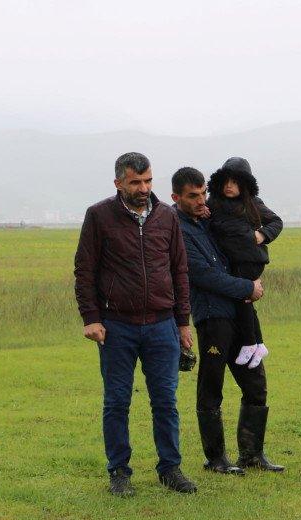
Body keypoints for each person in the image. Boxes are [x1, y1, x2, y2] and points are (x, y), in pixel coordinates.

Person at [73, 152, 197, 496]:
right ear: (118, 183)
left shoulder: (167, 217)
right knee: (116, 401)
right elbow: (85, 271)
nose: (143, 188)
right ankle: (119, 472)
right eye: (135, 182)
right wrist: (91, 318)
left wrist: (182, 323)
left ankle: (170, 468)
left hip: (162, 325)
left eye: (148, 181)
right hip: (117, 327)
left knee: (166, 401)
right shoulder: (99, 216)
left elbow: (179, 270)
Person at [171, 166, 284, 475]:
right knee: (212, 385)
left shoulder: (208, 220)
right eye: (193, 196)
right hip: (212, 315)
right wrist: (247, 287)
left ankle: (252, 454)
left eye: (203, 193)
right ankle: (216, 458)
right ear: (176, 197)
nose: (200, 200)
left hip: (240, 313)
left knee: (255, 382)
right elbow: (202, 274)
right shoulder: (177, 230)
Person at [205, 157, 283, 369]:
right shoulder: (213, 203)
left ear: (245, 184)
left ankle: (250, 343)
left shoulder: (253, 204)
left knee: (244, 297)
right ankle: (258, 344)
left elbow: (276, 221)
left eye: (236, 182)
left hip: (250, 259)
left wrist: (262, 235)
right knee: (244, 298)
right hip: (234, 259)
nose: (230, 186)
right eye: (226, 181)